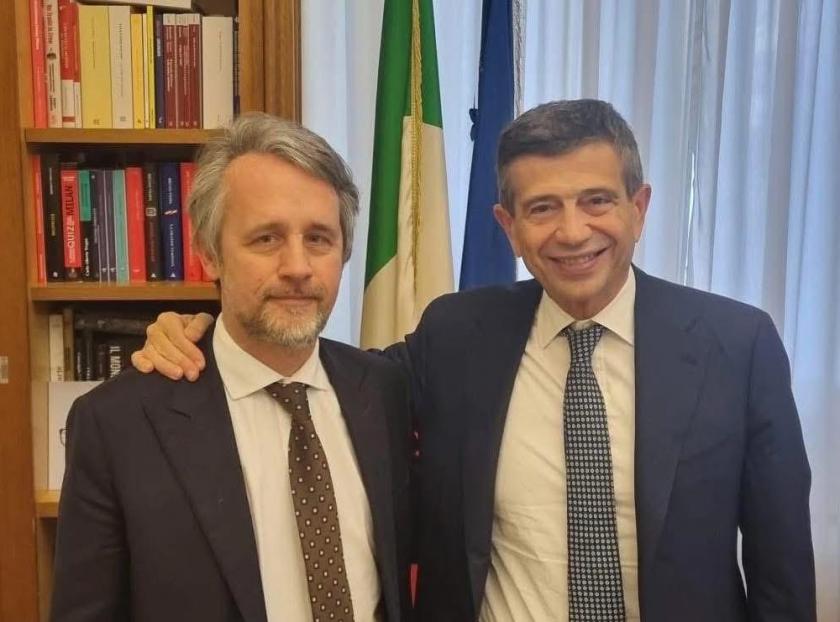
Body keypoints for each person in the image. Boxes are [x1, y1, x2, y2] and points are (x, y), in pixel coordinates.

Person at [133, 100, 816, 622]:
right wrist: (199, 334)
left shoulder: (738, 345)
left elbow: (780, 568)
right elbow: (323, 374)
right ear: (508, 227)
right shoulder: (459, 335)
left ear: (638, 208)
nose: (572, 231)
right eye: (542, 208)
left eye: (597, 201)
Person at [52, 113, 413, 622]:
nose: (297, 267)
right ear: (208, 253)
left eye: (319, 238)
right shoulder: (117, 424)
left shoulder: (384, 391)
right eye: (266, 238)